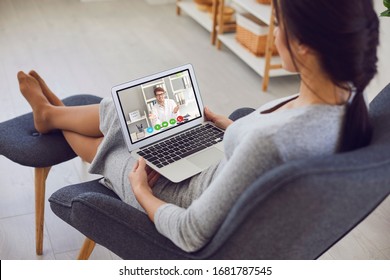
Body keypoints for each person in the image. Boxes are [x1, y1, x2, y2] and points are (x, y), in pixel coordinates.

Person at [16, 0, 378, 253]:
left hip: (179, 192)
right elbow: (269, 140)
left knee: (115, 141)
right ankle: (54, 112)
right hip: (217, 160)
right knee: (120, 116)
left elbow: (190, 233)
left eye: (279, 24)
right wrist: (229, 126)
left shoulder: (271, 142)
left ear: (302, 46)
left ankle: (49, 116)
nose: (275, 31)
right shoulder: (346, 101)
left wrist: (142, 190)